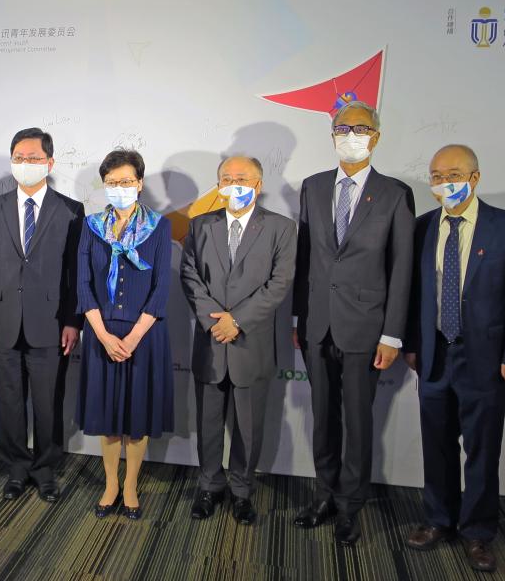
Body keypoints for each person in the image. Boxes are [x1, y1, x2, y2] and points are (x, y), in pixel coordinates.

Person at [403, 145, 505, 573]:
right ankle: (439, 519)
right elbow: (413, 294)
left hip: (487, 359)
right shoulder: (420, 228)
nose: (445, 183)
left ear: (475, 178)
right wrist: (412, 345)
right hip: (435, 355)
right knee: (436, 445)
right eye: (437, 176)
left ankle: (478, 531)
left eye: (453, 174)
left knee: (482, 449)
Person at [292, 101, 415, 545]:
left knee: (358, 421)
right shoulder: (312, 186)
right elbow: (304, 255)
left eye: (360, 128)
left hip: (367, 327)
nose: (350, 134)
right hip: (317, 323)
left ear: (376, 136)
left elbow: (402, 268)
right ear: (331, 136)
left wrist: (392, 333)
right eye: (342, 128)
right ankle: (324, 495)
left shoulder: (394, 193)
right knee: (322, 417)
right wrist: (297, 314)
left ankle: (350, 506)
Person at [180, 155, 296, 525]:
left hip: (251, 343)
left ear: (258, 185)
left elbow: (279, 283)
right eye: (226, 178)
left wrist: (238, 321)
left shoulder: (281, 228)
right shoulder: (199, 226)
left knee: (248, 424)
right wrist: (215, 321)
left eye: (242, 178)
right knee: (209, 421)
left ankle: (242, 491)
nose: (234, 184)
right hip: (211, 340)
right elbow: (190, 275)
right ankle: (209, 486)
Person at [0, 128, 84, 503]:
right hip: (3, 322)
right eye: (19, 158)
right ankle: (16, 467)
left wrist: (73, 321)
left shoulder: (70, 210)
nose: (26, 164)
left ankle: (46, 468)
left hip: (51, 323)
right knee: (9, 399)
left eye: (34, 158)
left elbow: (75, 273)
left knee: (48, 401)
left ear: (50, 163)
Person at [76, 150, 173, 520]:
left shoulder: (159, 227)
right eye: (112, 183)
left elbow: (162, 288)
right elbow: (83, 284)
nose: (119, 188)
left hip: (144, 336)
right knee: (107, 414)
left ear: (140, 184)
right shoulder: (91, 225)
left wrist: (132, 339)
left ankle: (131, 484)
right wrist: (101, 334)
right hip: (102, 333)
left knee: (136, 416)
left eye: (127, 182)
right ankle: (110, 483)